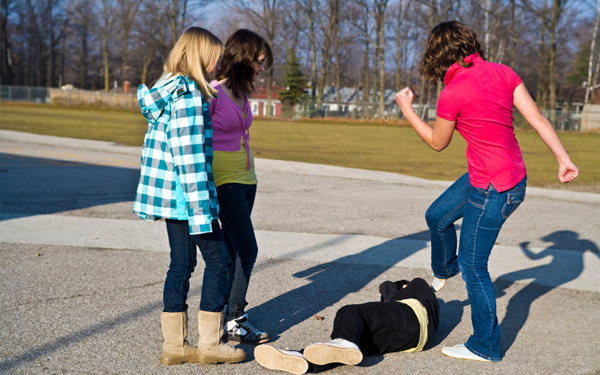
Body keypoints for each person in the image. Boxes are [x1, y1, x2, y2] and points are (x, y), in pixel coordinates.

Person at [394, 21, 579, 362]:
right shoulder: (504, 72)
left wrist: (407, 109)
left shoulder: (453, 93)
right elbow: (537, 118)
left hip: (496, 188)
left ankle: (484, 345)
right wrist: (563, 160)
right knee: (437, 216)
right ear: (470, 45)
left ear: (437, 54)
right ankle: (445, 270)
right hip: (501, 176)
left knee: (475, 266)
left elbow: (437, 143)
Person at [133, 27, 245, 365]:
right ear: (199, 57)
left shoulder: (167, 89)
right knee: (220, 261)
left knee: (181, 264)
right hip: (188, 198)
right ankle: (209, 345)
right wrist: (202, 211)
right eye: (215, 58)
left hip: (171, 197)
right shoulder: (189, 96)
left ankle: (176, 347)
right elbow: (189, 157)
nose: (218, 65)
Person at [208, 29, 273, 344]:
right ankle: (234, 317)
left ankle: (224, 317)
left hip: (248, 179)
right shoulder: (212, 93)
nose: (261, 68)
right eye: (258, 62)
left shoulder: (243, 93)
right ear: (243, 59)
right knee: (248, 248)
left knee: (236, 248)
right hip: (224, 181)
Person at [253, 278, 439, 374]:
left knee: (350, 312)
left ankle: (344, 342)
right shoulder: (428, 309)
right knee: (352, 345)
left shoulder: (418, 286)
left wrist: (393, 290)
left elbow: (387, 286)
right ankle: (303, 359)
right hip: (416, 342)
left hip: (412, 314)